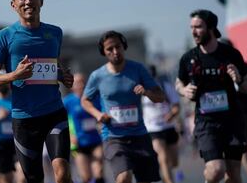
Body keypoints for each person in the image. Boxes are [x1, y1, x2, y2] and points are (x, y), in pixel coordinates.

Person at [0, 0, 74, 183]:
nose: (28, 1)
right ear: (13, 4)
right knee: (34, 179)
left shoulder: (55, 33)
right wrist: (15, 75)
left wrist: (62, 76)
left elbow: (51, 67)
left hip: (54, 113)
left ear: (41, 0)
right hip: (25, 120)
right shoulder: (4, 37)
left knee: (62, 173)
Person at [175, 9, 247, 183]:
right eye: (191, 27)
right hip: (206, 122)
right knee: (216, 169)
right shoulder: (188, 58)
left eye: (198, 27)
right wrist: (184, 90)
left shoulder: (231, 54)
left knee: (233, 175)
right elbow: (178, 83)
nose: (193, 32)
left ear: (210, 27)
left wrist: (238, 79)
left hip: (233, 120)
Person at [81, 30, 165, 183]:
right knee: (124, 177)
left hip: (139, 135)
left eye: (118, 47)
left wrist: (146, 92)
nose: (115, 51)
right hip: (113, 137)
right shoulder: (97, 76)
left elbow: (160, 96)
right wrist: (98, 114)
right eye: (109, 49)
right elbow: (85, 100)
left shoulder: (138, 69)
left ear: (123, 46)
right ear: (103, 52)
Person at [220, 38, 247, 183]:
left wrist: (243, 82)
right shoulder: (218, 70)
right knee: (244, 148)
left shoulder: (245, 66)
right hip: (232, 116)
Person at [142, 65, 180, 183]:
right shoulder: (141, 91)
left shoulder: (165, 87)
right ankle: (169, 180)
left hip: (169, 127)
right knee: (162, 158)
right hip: (153, 129)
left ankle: (166, 174)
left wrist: (171, 115)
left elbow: (176, 107)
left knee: (174, 161)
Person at [63, 73, 104, 183]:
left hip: (95, 140)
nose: (80, 85)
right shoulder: (68, 101)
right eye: (77, 83)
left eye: (82, 82)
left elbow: (101, 115)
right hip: (79, 143)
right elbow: (61, 121)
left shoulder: (94, 99)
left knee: (98, 171)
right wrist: (69, 135)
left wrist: (101, 124)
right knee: (86, 177)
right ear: (72, 86)